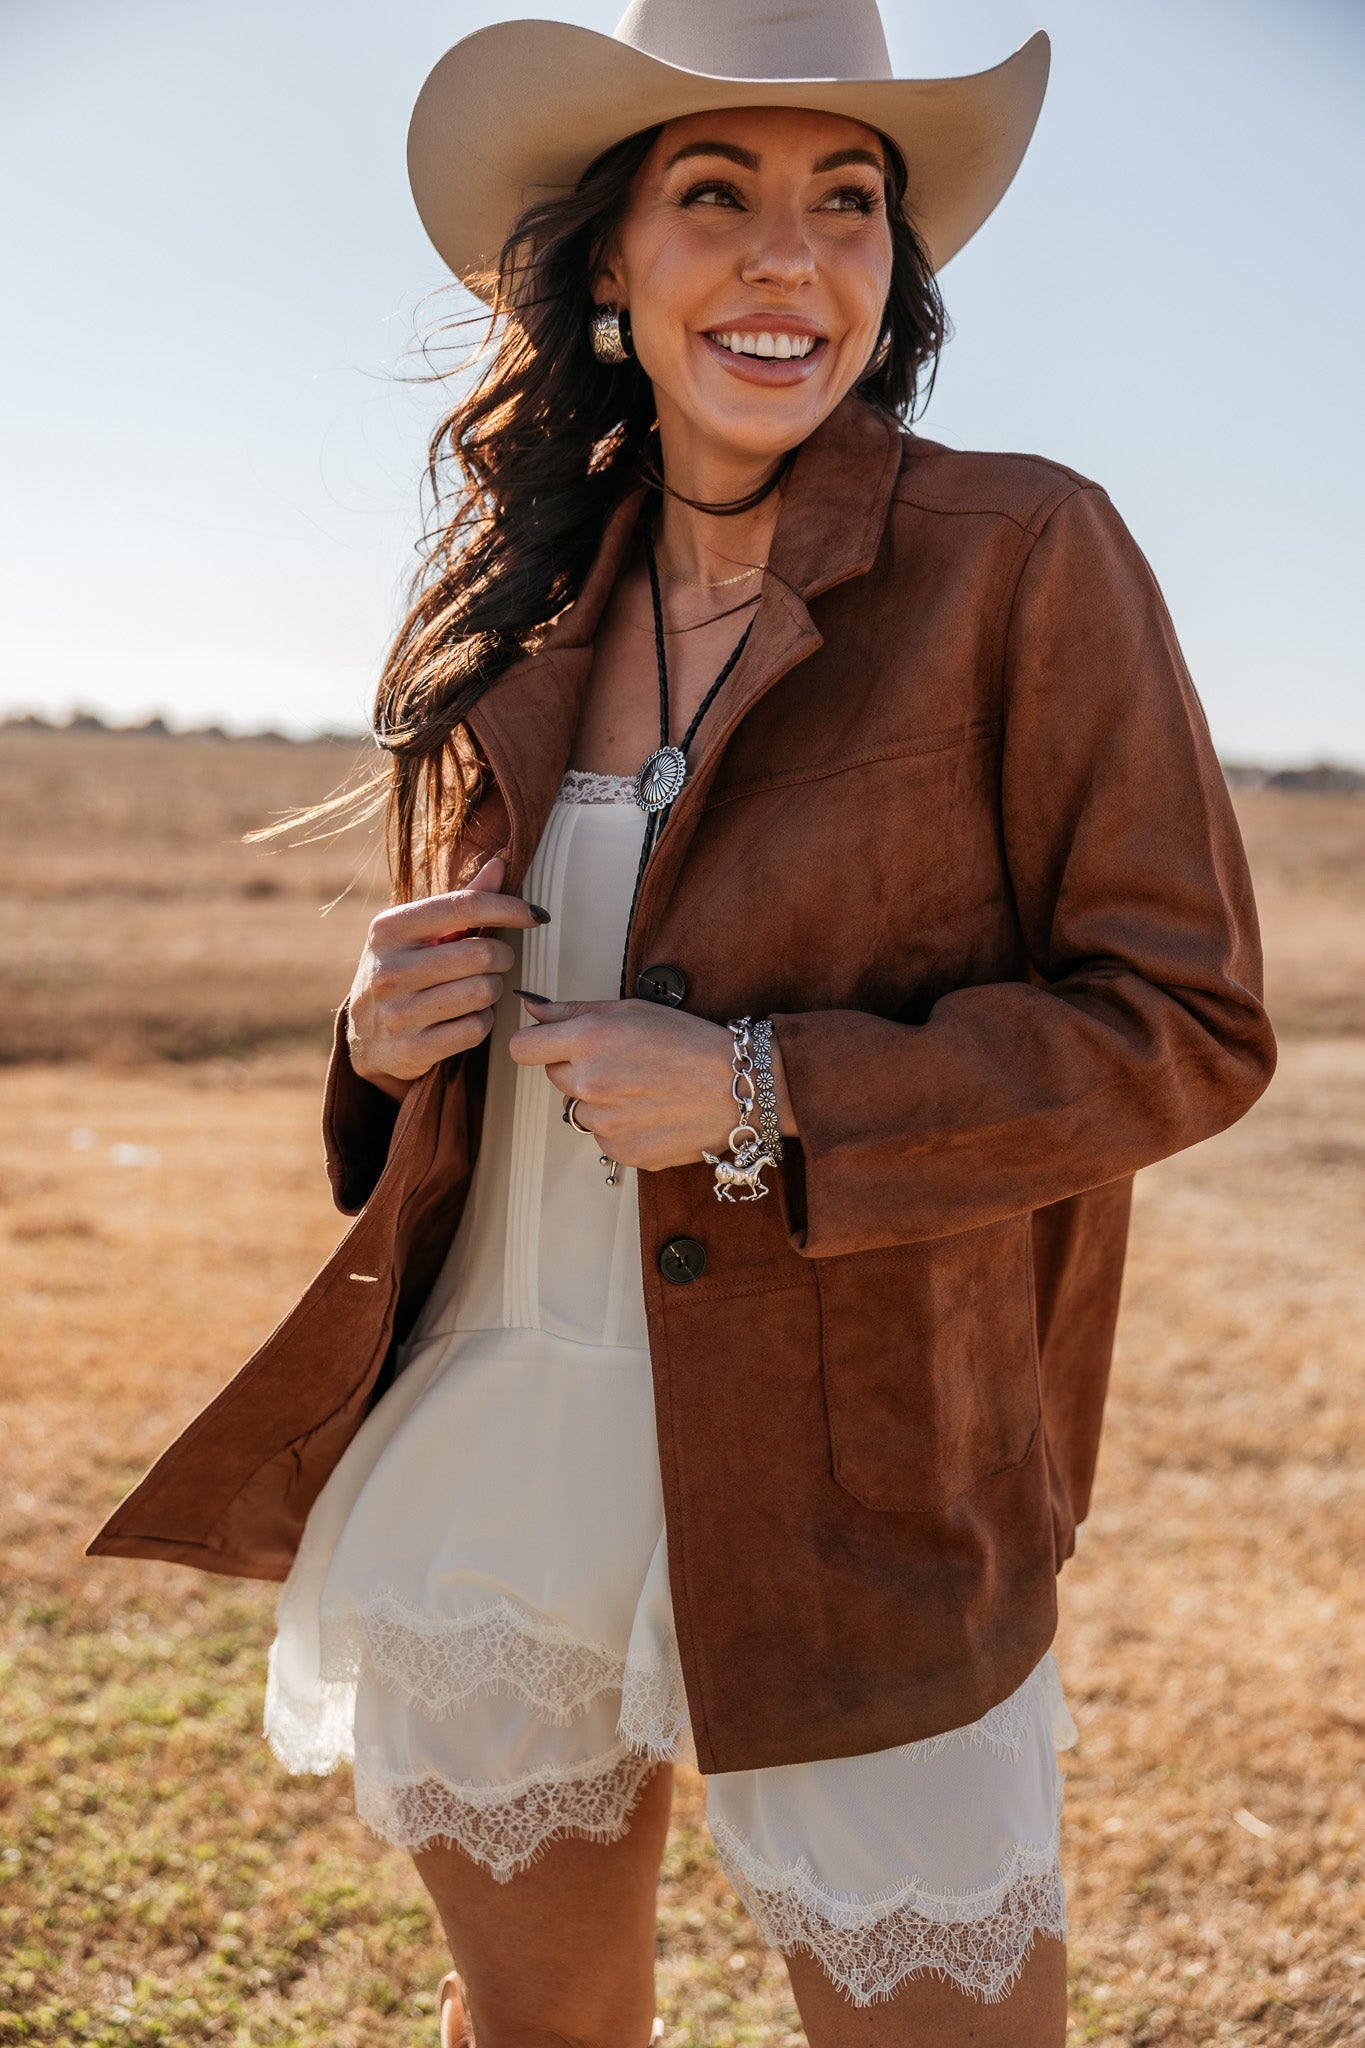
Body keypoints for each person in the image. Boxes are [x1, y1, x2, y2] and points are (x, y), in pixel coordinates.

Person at [88, 1, 1277, 2041]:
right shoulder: (522, 618)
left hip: (859, 1465)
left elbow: (1181, 1019)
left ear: (890, 275)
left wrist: (756, 1088)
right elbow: (456, 1064)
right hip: (501, 1432)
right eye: (711, 195)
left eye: (844, 205)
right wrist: (379, 1035)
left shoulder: (1020, 552)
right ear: (609, 267)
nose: (784, 260)